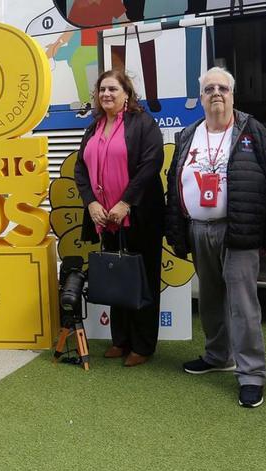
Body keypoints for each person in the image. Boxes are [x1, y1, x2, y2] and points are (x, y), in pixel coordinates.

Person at [165, 66, 266, 408]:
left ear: (233, 95)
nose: (216, 93)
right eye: (209, 89)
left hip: (238, 230)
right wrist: (177, 230)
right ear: (201, 97)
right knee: (209, 300)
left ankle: (251, 374)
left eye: (223, 88)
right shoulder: (189, 134)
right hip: (198, 229)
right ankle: (217, 355)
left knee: (243, 305)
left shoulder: (252, 131)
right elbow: (173, 185)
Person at [73, 69, 165, 367]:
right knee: (115, 277)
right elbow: (80, 170)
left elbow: (152, 163)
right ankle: (120, 340)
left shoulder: (143, 124)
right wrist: (91, 204)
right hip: (106, 219)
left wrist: (126, 202)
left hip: (139, 216)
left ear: (127, 93)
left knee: (142, 279)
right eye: (102, 90)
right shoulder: (94, 127)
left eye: (113, 89)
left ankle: (142, 345)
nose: (106, 94)